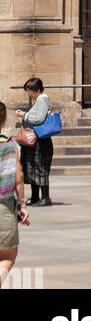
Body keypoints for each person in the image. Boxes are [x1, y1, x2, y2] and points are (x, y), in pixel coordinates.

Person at [0, 102, 29, 285]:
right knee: (8, 256)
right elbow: (18, 176)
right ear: (3, 120)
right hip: (3, 207)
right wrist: (22, 206)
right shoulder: (10, 145)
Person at [15, 77, 54, 207]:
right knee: (32, 169)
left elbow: (38, 118)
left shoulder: (42, 100)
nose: (28, 94)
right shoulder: (39, 101)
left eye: (29, 91)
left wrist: (23, 115)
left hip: (40, 142)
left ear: (36, 90)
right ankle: (35, 197)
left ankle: (45, 197)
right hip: (35, 141)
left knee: (40, 168)